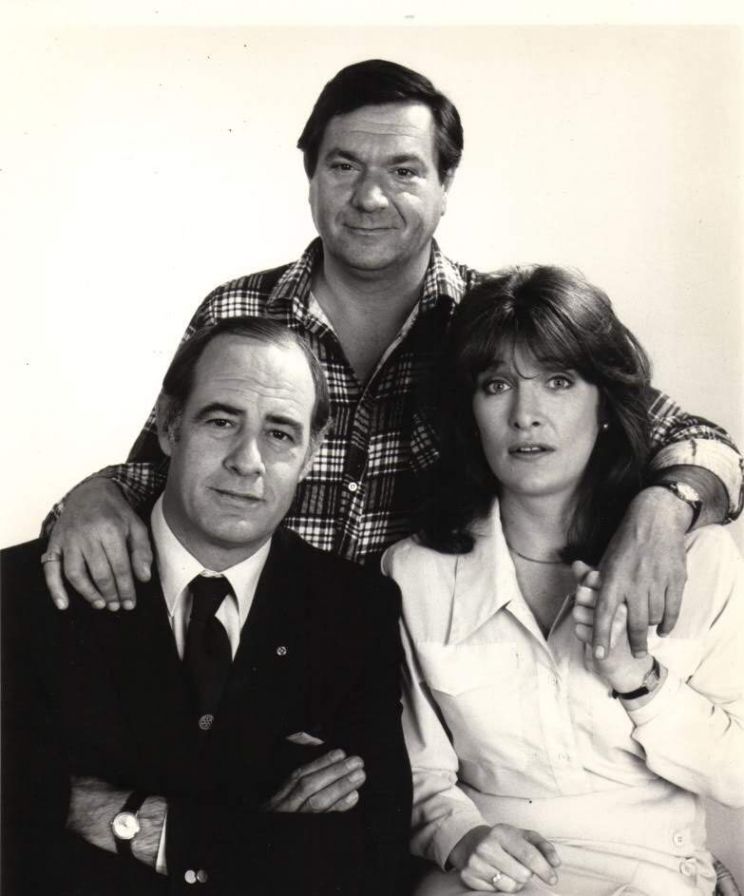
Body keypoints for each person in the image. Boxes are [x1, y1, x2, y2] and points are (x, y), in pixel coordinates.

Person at [42, 61, 741, 676]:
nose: (370, 197)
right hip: (246, 665)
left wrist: (662, 507)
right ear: (311, 178)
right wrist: (91, 496)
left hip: (419, 685)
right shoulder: (240, 310)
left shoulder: (492, 324)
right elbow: (165, 468)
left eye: (403, 171)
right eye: (344, 166)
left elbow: (704, 443)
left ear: (445, 184)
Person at [1, 317, 411, 895]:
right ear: (170, 426)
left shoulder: (356, 610)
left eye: (281, 434)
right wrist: (260, 835)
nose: (248, 460)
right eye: (221, 421)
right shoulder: (23, 592)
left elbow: (373, 856)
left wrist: (138, 825)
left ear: (312, 454)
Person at [383, 266, 744, 896]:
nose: (525, 415)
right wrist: (461, 836)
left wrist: (640, 682)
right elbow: (419, 772)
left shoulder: (699, 556)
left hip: (652, 871)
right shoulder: (417, 571)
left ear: (605, 405)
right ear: (470, 412)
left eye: (558, 382)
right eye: (497, 385)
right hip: (494, 873)